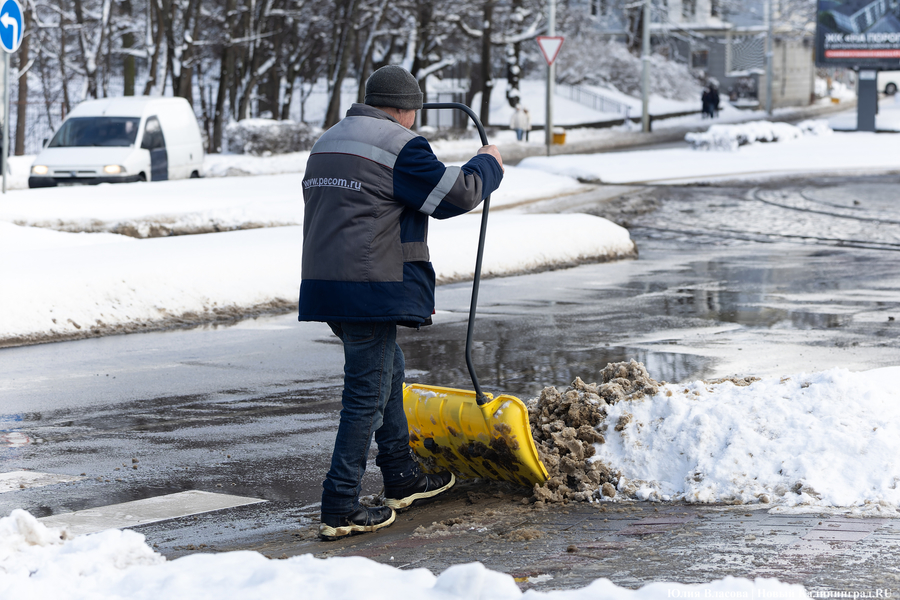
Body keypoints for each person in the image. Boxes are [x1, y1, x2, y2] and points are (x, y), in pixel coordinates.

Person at [299, 65, 505, 541]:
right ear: (406, 108)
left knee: (386, 369)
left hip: (327, 284)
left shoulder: (328, 140)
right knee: (365, 394)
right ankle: (340, 505)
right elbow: (456, 194)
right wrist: (487, 163)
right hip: (370, 284)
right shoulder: (400, 145)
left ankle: (402, 476)